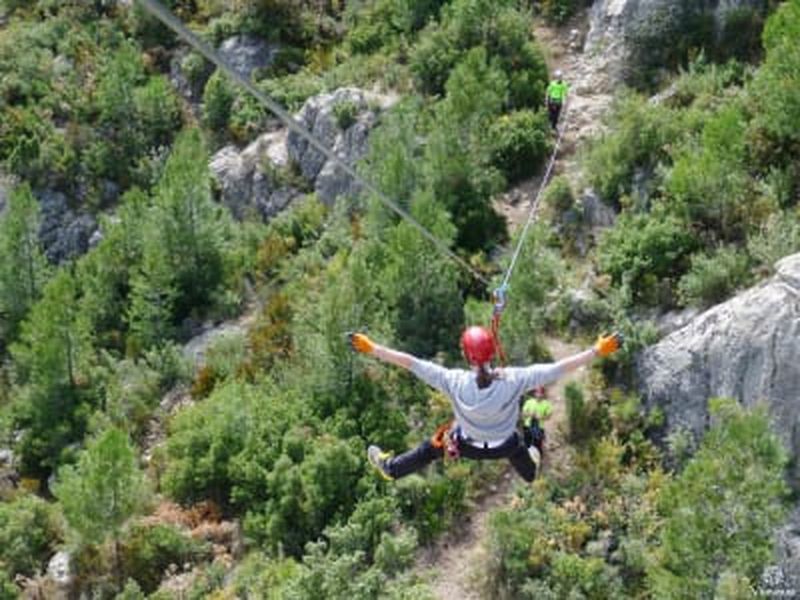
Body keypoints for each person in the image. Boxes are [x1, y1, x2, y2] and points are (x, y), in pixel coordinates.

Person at [349, 327, 622, 482]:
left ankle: (392, 469)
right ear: (492, 351)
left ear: (465, 355)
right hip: (506, 445)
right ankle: (532, 464)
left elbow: (410, 362)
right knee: (529, 454)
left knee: (433, 445)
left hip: (467, 446)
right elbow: (558, 369)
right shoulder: (514, 379)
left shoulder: (452, 380)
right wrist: (597, 350)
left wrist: (372, 347)